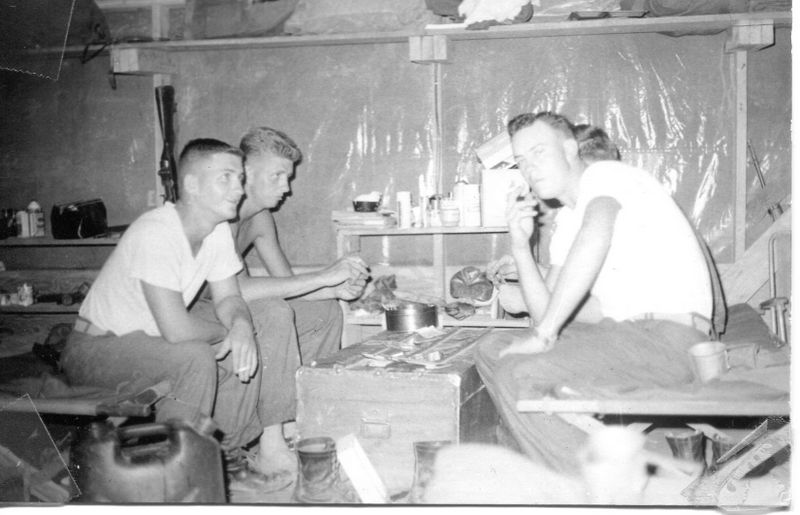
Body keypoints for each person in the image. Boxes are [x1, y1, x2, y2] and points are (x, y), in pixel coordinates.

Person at [474, 112, 714, 475]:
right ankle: (560, 467)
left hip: (672, 339)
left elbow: (595, 234)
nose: (530, 168)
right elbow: (544, 312)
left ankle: (586, 489)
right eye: (521, 161)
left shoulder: (606, 176)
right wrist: (520, 245)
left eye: (539, 152)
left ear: (571, 149)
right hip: (628, 336)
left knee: (520, 372)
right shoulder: (569, 219)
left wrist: (544, 335)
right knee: (491, 349)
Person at [61, 138, 280, 492]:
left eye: (240, 178)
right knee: (196, 356)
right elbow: (177, 329)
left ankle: (224, 457)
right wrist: (228, 333)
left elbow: (229, 297)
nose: (239, 189)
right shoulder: (157, 231)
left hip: (147, 345)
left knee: (245, 342)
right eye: (225, 177)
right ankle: (170, 479)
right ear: (191, 184)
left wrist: (241, 326)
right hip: (93, 350)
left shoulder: (217, 231)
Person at [197, 126, 368, 476]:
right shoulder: (218, 216)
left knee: (323, 312)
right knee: (274, 312)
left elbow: (286, 283)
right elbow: (236, 292)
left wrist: (334, 291)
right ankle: (270, 443)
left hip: (233, 306)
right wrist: (325, 276)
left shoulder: (260, 219)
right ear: (246, 173)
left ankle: (304, 419)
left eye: (287, 177)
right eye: (276, 176)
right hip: (199, 312)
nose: (286, 188)